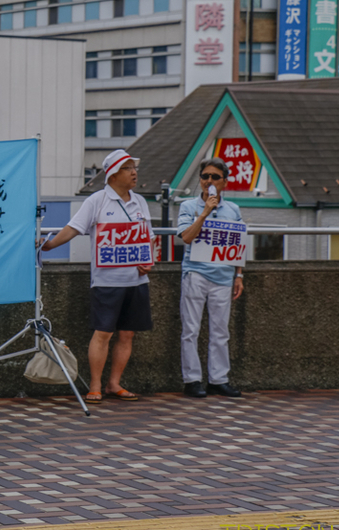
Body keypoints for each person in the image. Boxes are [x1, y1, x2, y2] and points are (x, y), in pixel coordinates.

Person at [40, 150, 154, 403]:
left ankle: (114, 384)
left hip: (136, 280)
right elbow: (73, 228)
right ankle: (95, 386)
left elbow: (148, 238)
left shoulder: (140, 202)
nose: (134, 172)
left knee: (127, 334)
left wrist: (149, 262)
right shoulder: (97, 200)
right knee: (103, 333)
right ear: (112, 174)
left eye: (134, 167)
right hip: (107, 281)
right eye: (127, 168)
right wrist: (48, 245)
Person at [178, 158, 243, 398]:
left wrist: (239, 274)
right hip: (195, 273)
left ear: (224, 182)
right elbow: (185, 237)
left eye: (215, 177)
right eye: (205, 176)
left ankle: (218, 379)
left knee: (220, 331)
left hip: (223, 275)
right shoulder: (188, 206)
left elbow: (238, 244)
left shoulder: (233, 210)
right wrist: (205, 212)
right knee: (190, 329)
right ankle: (192, 379)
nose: (209, 181)